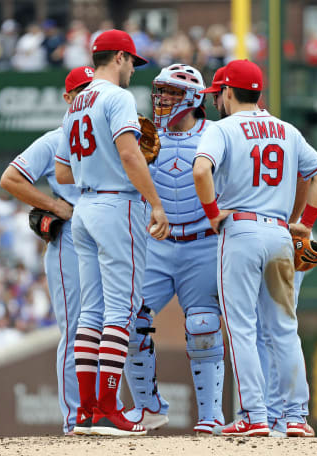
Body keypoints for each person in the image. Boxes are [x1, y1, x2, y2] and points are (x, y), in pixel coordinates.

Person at [193, 59, 317, 436]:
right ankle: (295, 418)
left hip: (239, 230)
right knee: (285, 328)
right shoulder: (286, 130)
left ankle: (254, 415)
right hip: (279, 233)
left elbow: (201, 170)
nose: (215, 100)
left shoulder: (222, 129)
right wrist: (305, 223)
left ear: (226, 92)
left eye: (217, 93)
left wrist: (210, 214)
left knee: (241, 327)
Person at [54, 29, 169, 437]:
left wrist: (99, 160)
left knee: (91, 312)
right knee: (120, 309)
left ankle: (86, 410)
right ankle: (107, 408)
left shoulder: (76, 104)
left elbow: (62, 171)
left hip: (84, 207)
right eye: (132, 62)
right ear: (118, 57)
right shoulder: (117, 97)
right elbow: (127, 152)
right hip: (117, 205)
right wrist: (155, 202)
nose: (133, 71)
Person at [123, 63, 225, 435]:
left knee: (203, 325)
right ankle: (147, 406)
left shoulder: (217, 133)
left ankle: (211, 415)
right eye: (161, 92)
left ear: (196, 97)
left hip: (202, 243)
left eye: (173, 93)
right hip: (157, 244)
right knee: (132, 321)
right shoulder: (143, 135)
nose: (163, 99)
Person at [0, 66, 94, 435]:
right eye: (81, 91)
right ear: (68, 98)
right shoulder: (55, 139)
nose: (87, 96)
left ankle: (106, 411)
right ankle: (75, 420)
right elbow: (10, 178)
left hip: (107, 234)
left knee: (112, 326)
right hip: (70, 236)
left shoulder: (115, 138)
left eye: (93, 89)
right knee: (75, 330)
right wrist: (55, 207)